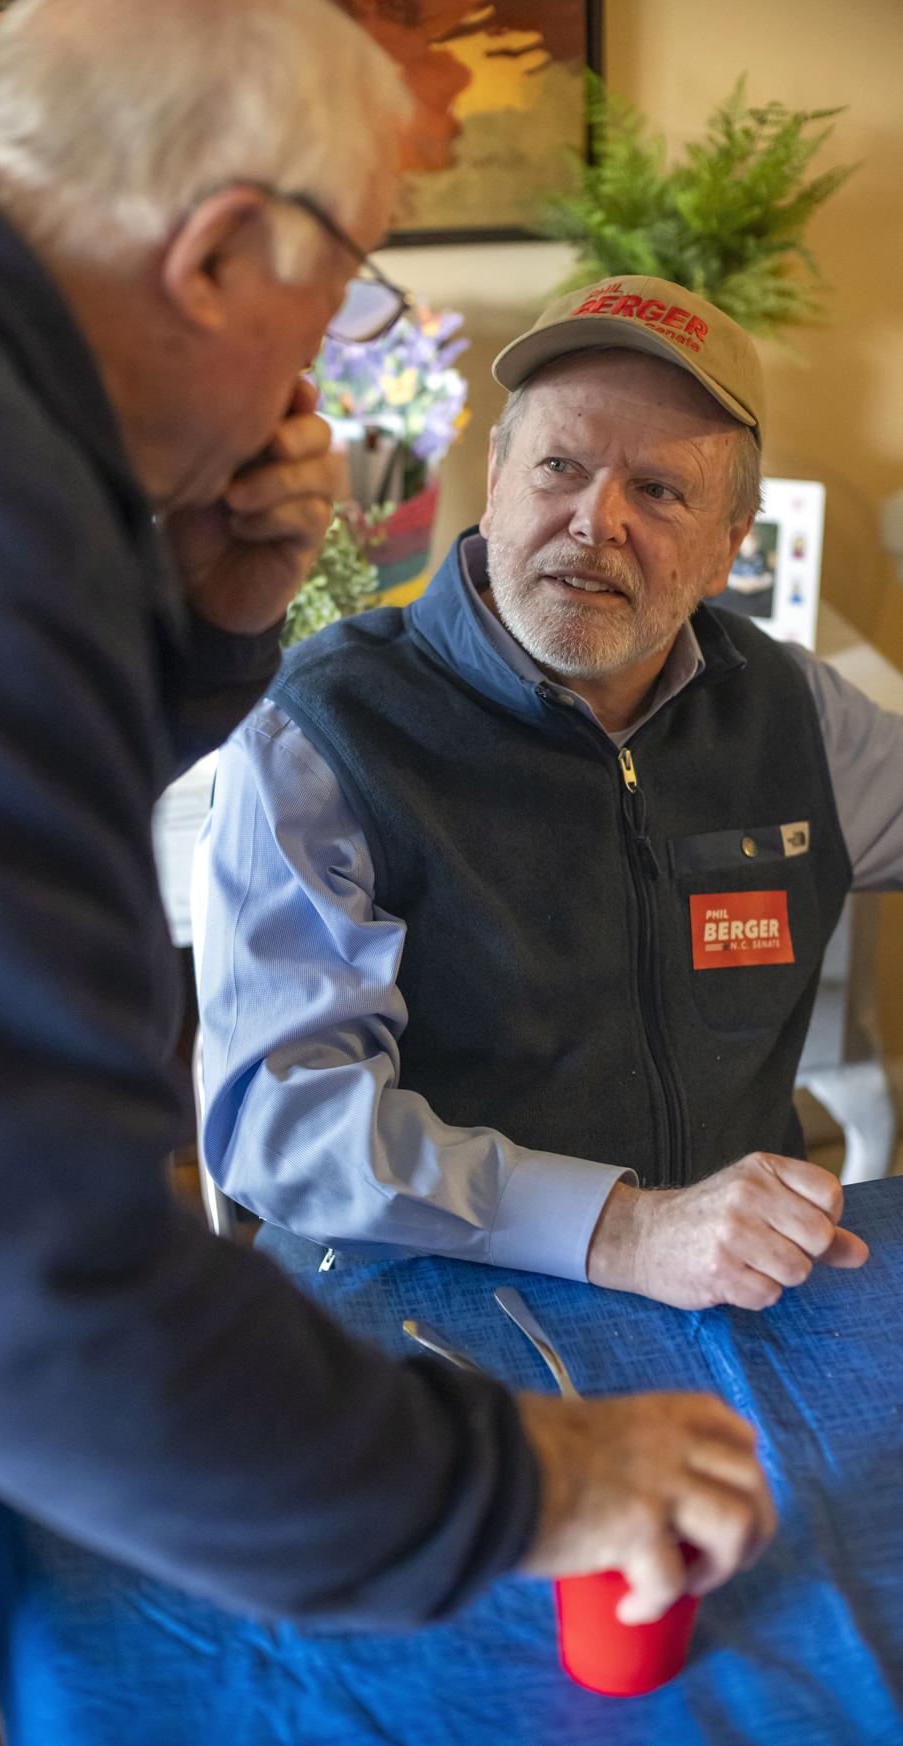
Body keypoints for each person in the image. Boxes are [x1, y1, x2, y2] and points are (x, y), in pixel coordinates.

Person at [0, 10, 775, 1742]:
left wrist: (193, 628)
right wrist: (540, 1483)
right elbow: (39, 1301)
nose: (323, 369)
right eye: (344, 293)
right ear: (223, 251)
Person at [195, 272, 903, 1316]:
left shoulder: (792, 711)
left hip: (737, 1299)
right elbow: (286, 1126)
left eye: (658, 491)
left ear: (730, 545)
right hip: (435, 1311)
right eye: (560, 466)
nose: (594, 521)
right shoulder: (324, 732)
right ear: (496, 478)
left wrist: (677, 1246)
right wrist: (622, 1230)